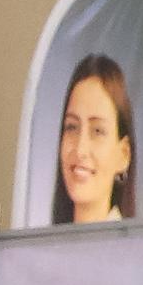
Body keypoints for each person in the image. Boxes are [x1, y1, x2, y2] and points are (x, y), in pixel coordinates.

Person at [51, 52, 136, 223]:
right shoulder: (39, 248)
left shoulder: (135, 249)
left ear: (124, 154)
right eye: (72, 127)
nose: (80, 149)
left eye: (97, 131)